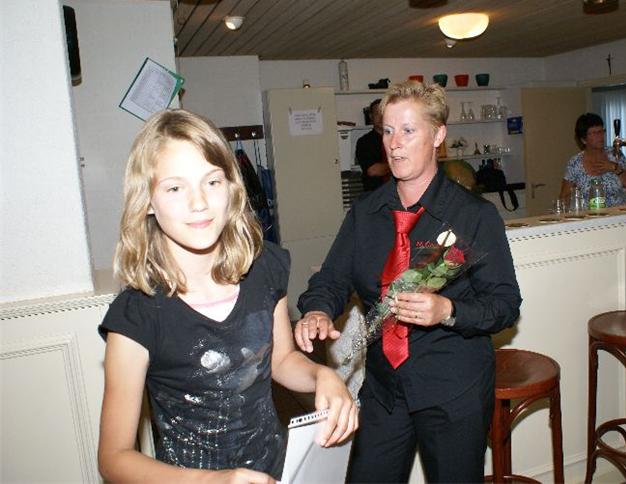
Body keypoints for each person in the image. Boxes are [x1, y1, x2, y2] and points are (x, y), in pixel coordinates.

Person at [97, 109, 358, 483]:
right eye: (175, 188)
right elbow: (114, 458)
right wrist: (212, 481)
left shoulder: (264, 268)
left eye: (212, 182)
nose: (199, 202)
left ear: (232, 187)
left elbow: (281, 360)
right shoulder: (137, 314)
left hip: (275, 470)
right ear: (148, 201)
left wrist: (322, 375)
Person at [295, 81, 522, 483]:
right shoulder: (366, 214)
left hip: (453, 389)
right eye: (387, 130)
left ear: (437, 135)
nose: (394, 143)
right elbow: (332, 279)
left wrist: (447, 310)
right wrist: (317, 309)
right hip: (384, 389)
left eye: (408, 130)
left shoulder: (473, 216)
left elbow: (504, 305)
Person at [559, 112, 626, 206]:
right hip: (589, 214)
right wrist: (575, 193)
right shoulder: (575, 163)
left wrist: (615, 168)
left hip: (618, 212)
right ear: (583, 140)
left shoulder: (615, 155)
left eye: (601, 131)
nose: (600, 136)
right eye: (594, 133)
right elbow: (563, 199)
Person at [356, 99, 391, 191]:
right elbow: (373, 170)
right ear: (371, 116)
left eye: (383, 113)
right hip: (375, 193)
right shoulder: (364, 142)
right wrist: (398, 165)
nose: (381, 117)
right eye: (377, 114)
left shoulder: (399, 138)